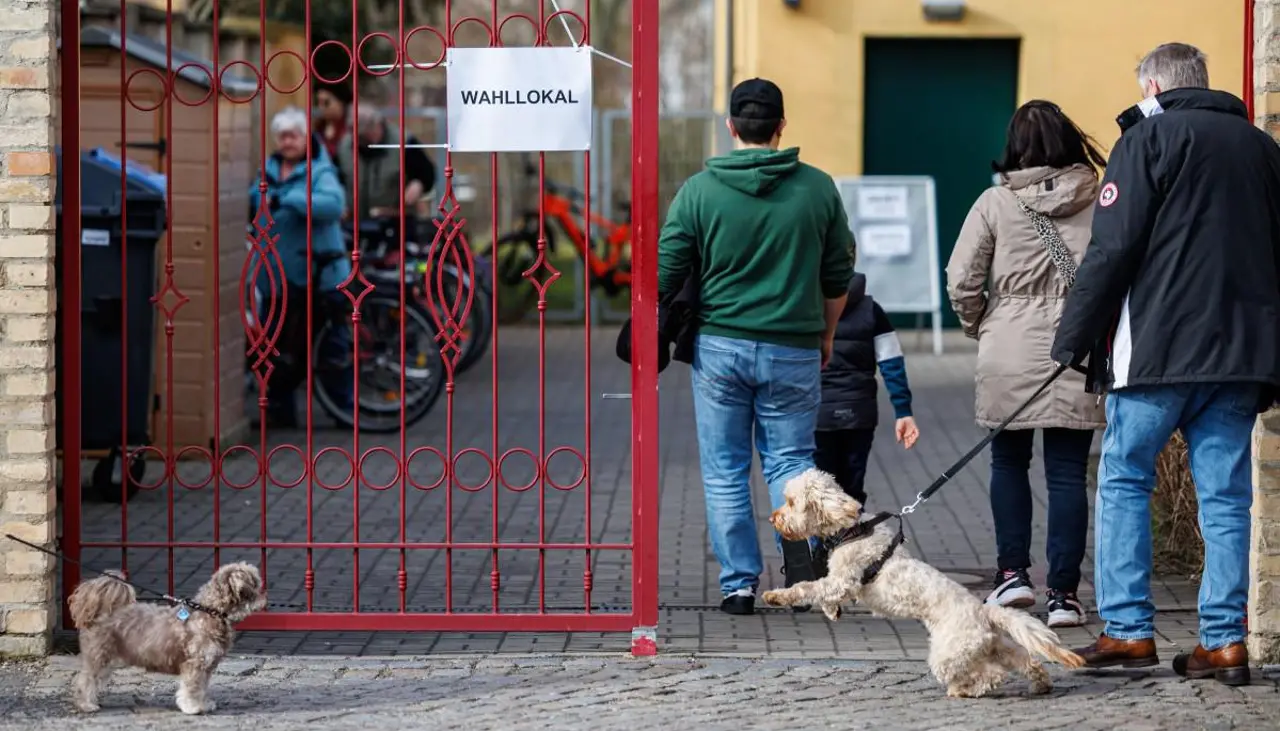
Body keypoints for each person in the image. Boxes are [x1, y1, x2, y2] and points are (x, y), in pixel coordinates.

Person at [1051, 43, 1280, 682]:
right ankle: (1225, 642)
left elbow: (1112, 247)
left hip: (1158, 349)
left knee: (1125, 477)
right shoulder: (1264, 150)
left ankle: (1128, 631)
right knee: (1227, 500)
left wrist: (1075, 336)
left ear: (1153, 85)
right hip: (1240, 355)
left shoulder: (1147, 140)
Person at [658, 78, 854, 616]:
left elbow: (666, 267)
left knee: (725, 470)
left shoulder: (700, 190)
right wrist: (828, 332)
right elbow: (839, 272)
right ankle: (801, 576)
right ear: (781, 126)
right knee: (790, 464)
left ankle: (738, 585)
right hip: (793, 347)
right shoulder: (817, 188)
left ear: (731, 128)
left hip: (720, 346)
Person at [946, 99, 1108, 628]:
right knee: (1067, 475)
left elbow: (961, 279)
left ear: (1015, 148)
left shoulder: (995, 204)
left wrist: (980, 326)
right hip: (1077, 352)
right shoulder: (1100, 200)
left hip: (1007, 349)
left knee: (1008, 464)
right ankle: (1064, 594)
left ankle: (1012, 577)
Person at [248, 106, 354, 427]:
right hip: (279, 278)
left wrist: (293, 199)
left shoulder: (320, 172)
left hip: (320, 275)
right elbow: (253, 203)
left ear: (306, 138)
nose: (288, 142)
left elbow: (334, 205)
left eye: (294, 136)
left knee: (332, 346)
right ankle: (281, 412)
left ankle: (346, 409)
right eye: (282, 136)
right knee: (277, 345)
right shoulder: (266, 172)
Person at [814, 271, 919, 507]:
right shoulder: (872, 310)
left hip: (817, 416)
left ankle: (821, 543)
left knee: (819, 491)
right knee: (851, 489)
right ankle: (850, 538)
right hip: (859, 414)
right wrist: (903, 411)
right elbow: (892, 363)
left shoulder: (806, 307)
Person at [334, 99, 437, 228]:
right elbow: (336, 178)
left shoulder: (404, 142)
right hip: (354, 223)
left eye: (363, 135)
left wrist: (418, 184)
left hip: (397, 224)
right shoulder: (344, 147)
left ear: (377, 125)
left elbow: (427, 172)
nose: (359, 140)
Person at [313, 83, 351, 164]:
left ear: (341, 102)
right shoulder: (317, 128)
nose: (321, 107)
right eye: (318, 102)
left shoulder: (351, 128)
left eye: (326, 103)